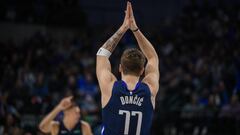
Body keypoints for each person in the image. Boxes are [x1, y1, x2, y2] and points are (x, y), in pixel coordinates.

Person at [96, 2, 159, 135]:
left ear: (120, 68)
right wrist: (135, 29)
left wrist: (124, 28)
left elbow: (102, 54)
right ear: (142, 70)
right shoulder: (150, 88)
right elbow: (152, 57)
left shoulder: (110, 86)